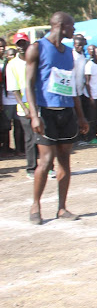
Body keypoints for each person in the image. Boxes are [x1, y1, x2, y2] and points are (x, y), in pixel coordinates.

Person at [25, 12, 89, 225]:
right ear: (61, 25)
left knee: (65, 160)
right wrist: (34, 115)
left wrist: (81, 116)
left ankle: (62, 208)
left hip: (66, 111)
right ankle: (36, 206)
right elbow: (28, 84)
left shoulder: (69, 52)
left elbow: (71, 86)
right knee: (45, 161)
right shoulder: (37, 48)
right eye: (72, 26)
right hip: (46, 111)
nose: (74, 30)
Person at [5, 33, 37, 177]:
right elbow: (15, 89)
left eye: (23, 43)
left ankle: (48, 166)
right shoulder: (12, 65)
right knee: (30, 138)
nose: (21, 46)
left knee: (45, 138)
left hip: (39, 104)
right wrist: (24, 108)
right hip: (24, 107)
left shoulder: (36, 59)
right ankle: (31, 168)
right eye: (18, 44)